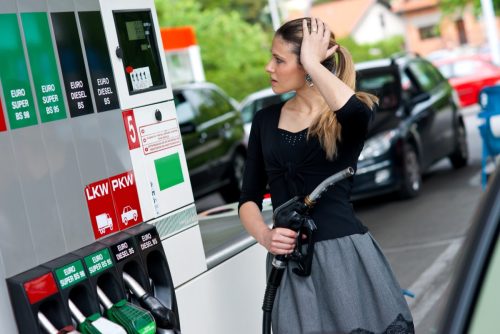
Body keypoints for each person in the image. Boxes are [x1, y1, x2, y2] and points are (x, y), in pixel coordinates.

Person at [238, 17, 414, 334]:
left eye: (279, 60)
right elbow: (247, 199)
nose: (269, 67)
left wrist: (312, 63)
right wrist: (266, 237)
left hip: (343, 258)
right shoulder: (264, 121)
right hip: (290, 264)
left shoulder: (348, 112)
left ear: (308, 65)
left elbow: (355, 113)